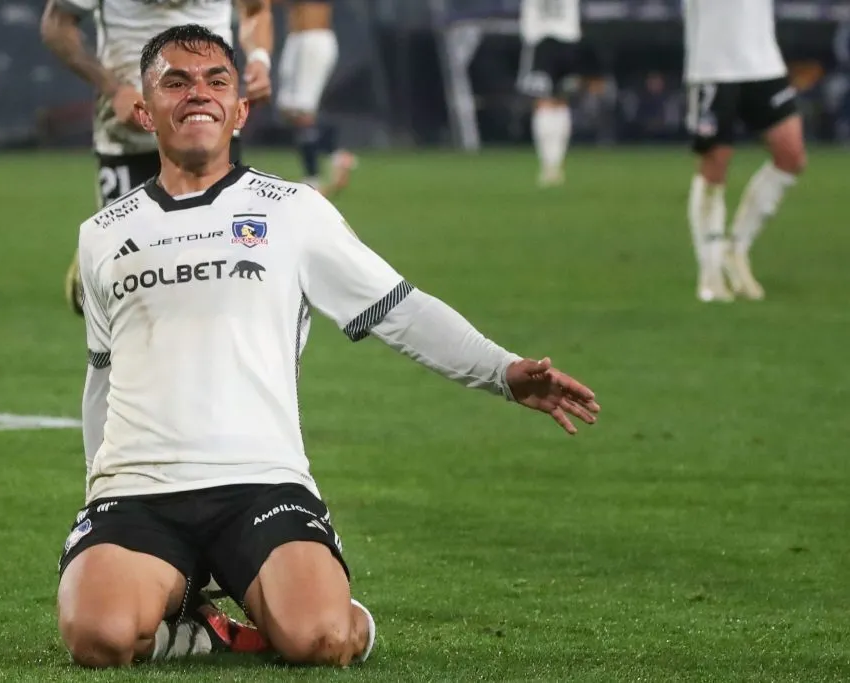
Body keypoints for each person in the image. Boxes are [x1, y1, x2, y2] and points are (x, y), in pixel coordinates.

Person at [59, 24, 601, 669]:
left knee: (319, 640)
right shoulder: (101, 234)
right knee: (100, 639)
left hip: (262, 483)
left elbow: (399, 309)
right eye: (175, 82)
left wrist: (502, 372)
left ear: (241, 109)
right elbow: (103, 376)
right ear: (145, 110)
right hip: (139, 488)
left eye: (215, 82)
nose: (197, 94)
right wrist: (99, 486)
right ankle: (199, 629)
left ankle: (334, 613)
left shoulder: (293, 211)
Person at [40, 0, 274, 315]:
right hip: (130, 129)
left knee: (219, 273)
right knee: (124, 289)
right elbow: (56, 23)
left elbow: (255, 9)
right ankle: (98, 263)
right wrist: (113, 88)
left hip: (207, 128)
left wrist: (259, 59)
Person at [683, 0, 807, 302]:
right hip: (713, 63)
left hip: (763, 59)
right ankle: (710, 272)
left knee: (791, 155)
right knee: (716, 164)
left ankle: (735, 249)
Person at [276, 0, 355, 196]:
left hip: (314, 38)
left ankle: (313, 178)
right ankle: (336, 154)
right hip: (296, 38)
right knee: (287, 106)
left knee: (303, 108)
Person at [516, 0, 582, 187]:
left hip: (540, 37)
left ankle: (548, 167)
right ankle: (555, 166)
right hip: (567, 36)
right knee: (561, 101)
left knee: (544, 102)